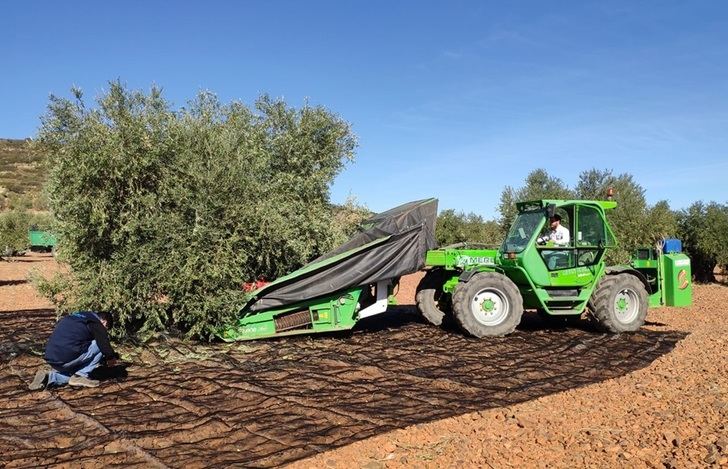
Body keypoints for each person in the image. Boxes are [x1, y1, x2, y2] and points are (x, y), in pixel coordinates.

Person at [29, 311, 120, 390]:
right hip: (66, 358)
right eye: (106, 328)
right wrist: (111, 357)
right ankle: (80, 375)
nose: (104, 330)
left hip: (52, 358)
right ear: (104, 322)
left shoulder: (76, 317)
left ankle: (49, 377)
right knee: (98, 345)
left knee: (71, 375)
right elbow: (104, 344)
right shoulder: (95, 322)